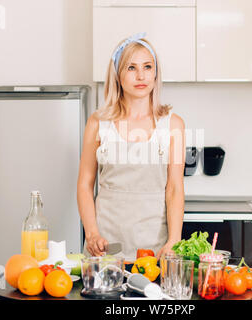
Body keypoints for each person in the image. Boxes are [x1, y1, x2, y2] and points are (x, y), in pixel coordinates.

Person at [77, 32, 186, 261]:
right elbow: (85, 185)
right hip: (106, 249)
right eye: (131, 68)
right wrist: (92, 233)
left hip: (154, 250)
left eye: (147, 67)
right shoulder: (98, 123)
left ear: (156, 74)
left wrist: (174, 241)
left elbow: (174, 189)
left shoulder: (173, 125)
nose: (141, 75)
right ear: (117, 74)